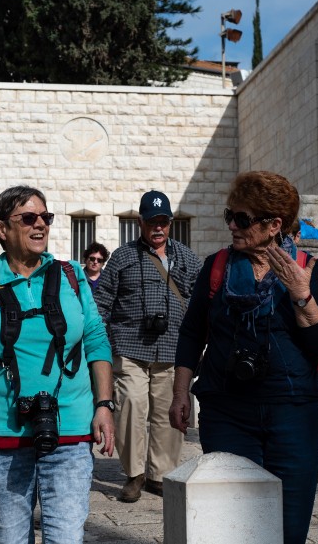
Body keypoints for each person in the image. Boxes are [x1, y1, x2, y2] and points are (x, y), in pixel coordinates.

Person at [169, 171, 318, 544]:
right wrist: (180, 393)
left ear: (274, 224)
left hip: (294, 414)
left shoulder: (307, 269)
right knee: (236, 527)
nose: (232, 225)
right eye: (230, 215)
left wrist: (301, 296)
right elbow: (192, 332)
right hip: (228, 413)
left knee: (289, 529)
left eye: (242, 219)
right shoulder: (217, 267)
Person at [0, 185, 115, 543]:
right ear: (1, 229)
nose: (41, 226)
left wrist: (104, 405)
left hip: (69, 428)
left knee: (66, 537)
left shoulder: (71, 275)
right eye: (29, 218)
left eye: (46, 218)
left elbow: (96, 340)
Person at [94, 190, 202, 502]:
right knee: (131, 405)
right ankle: (134, 473)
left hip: (172, 350)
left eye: (164, 222)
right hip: (130, 348)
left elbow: (200, 302)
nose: (158, 228)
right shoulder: (123, 257)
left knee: (168, 415)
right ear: (141, 222)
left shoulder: (186, 257)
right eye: (152, 222)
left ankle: (160, 474)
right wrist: (103, 340)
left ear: (170, 223)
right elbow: (101, 302)